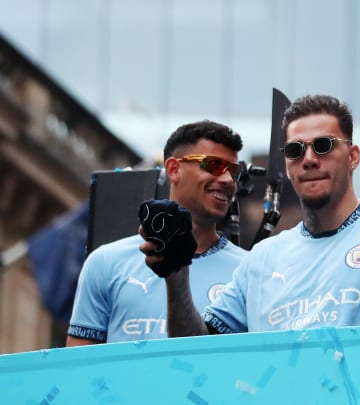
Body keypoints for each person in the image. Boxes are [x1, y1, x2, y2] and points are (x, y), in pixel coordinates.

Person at [142, 94, 360, 335]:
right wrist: (177, 277)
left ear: (353, 157)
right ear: (287, 166)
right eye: (295, 150)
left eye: (323, 146)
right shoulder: (261, 259)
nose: (309, 160)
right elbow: (198, 352)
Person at [66, 120, 248, 345]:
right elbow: (80, 366)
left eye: (234, 171)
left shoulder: (249, 270)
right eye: (214, 165)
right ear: (173, 169)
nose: (228, 180)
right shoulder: (105, 262)